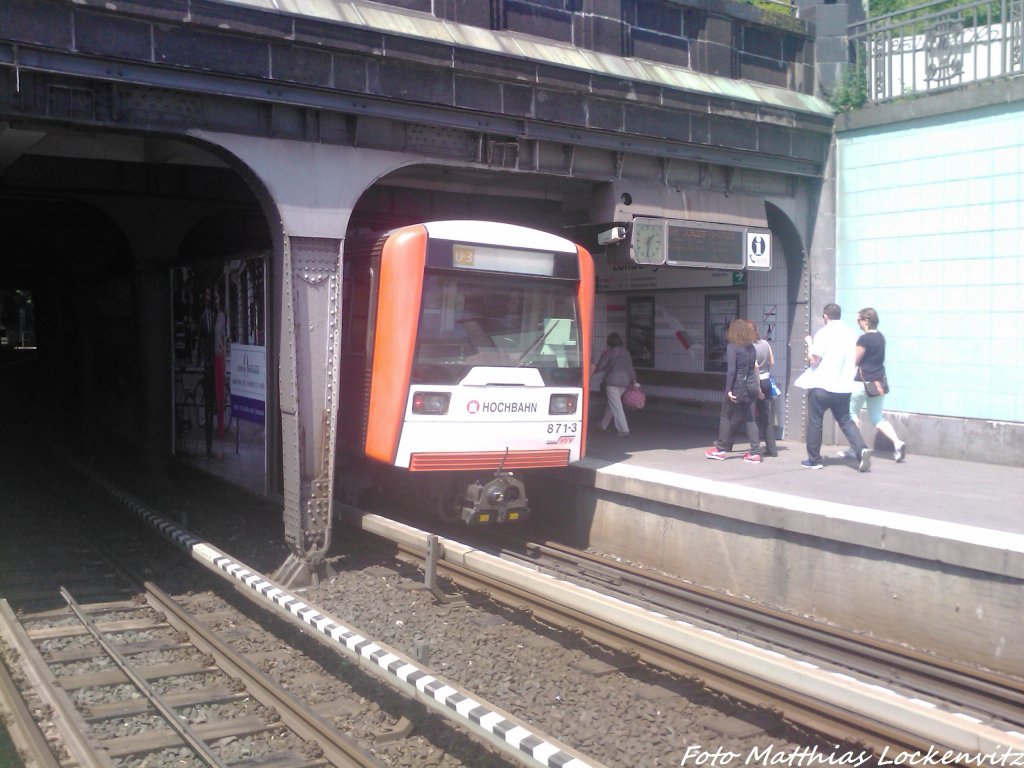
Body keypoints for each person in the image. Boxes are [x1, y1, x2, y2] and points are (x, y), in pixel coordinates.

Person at [794, 303, 871, 471]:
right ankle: (861, 448)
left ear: (825, 316)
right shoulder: (851, 334)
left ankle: (814, 460)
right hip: (843, 386)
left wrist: (809, 344)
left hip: (821, 385)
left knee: (815, 421)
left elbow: (814, 360)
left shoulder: (823, 333)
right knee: (845, 420)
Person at [846, 307, 906, 462]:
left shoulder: (864, 339)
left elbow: (855, 360)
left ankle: (856, 448)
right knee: (876, 417)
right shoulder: (881, 338)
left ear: (866, 320)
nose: (858, 323)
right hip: (878, 383)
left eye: (858, 320)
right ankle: (898, 443)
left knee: (852, 413)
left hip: (862, 383)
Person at [705, 318, 762, 463]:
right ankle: (755, 452)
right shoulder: (752, 348)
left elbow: (731, 370)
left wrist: (728, 390)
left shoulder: (732, 347)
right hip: (752, 386)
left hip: (738, 386)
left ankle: (720, 449)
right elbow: (752, 368)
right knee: (750, 419)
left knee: (726, 416)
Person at [592, 332, 638, 437]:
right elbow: (630, 368)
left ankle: (623, 429)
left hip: (612, 382)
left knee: (616, 405)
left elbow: (600, 366)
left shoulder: (609, 352)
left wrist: (591, 373)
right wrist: (634, 380)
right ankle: (603, 425)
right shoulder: (626, 353)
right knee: (612, 404)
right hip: (625, 382)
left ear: (609, 341)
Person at [750, 321, 778, 458]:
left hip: (756, 381)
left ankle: (727, 444)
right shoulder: (765, 344)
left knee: (747, 415)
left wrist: (757, 387)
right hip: (767, 380)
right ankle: (772, 449)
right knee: (766, 417)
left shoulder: (750, 347)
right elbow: (772, 362)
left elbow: (754, 366)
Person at [198, 286, 217, 459]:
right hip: (207, 366)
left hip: (215, 364)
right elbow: (200, 339)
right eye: (206, 295)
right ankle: (207, 446)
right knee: (207, 404)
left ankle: (211, 447)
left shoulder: (216, 316)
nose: (208, 298)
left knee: (213, 405)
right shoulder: (203, 317)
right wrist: (201, 359)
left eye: (210, 295)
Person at [213, 287, 229, 451]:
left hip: (219, 357)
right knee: (215, 393)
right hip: (212, 357)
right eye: (214, 298)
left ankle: (221, 428)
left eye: (217, 298)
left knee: (220, 394)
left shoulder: (222, 317)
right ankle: (217, 425)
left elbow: (223, 337)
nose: (216, 300)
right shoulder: (211, 315)